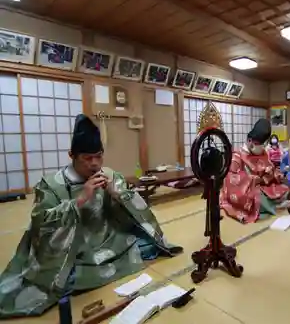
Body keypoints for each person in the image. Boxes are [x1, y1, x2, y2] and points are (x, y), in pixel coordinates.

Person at [0, 114, 183, 318]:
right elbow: (40, 223)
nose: (95, 164)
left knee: (150, 243)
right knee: (55, 277)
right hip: (73, 249)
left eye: (99, 156)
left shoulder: (110, 175)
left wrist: (118, 194)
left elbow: (138, 210)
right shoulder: (51, 185)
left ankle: (91, 273)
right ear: (72, 155)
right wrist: (78, 200)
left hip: (109, 239)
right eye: (87, 158)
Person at [220, 119, 290, 224]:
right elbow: (232, 180)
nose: (263, 149)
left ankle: (275, 204)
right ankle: (274, 207)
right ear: (250, 143)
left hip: (265, 185)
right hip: (248, 190)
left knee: (286, 187)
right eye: (261, 146)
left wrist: (274, 173)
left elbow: (270, 167)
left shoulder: (263, 152)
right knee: (258, 197)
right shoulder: (237, 156)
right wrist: (253, 179)